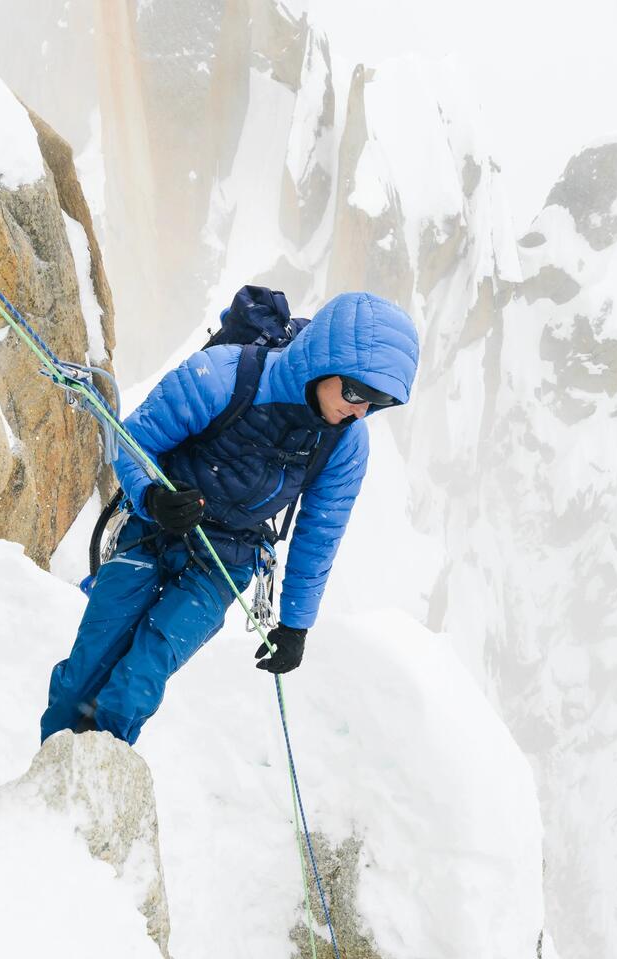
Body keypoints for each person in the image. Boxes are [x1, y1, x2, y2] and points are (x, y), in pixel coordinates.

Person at [40, 291, 419, 745]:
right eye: (357, 393)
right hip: (152, 531)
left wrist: (296, 626)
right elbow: (133, 440)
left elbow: (320, 534)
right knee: (83, 674)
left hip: (225, 563)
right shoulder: (222, 376)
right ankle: (50, 779)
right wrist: (153, 497)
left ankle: (96, 790)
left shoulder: (345, 445)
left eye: (377, 405)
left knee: (134, 685)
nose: (359, 411)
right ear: (323, 362)